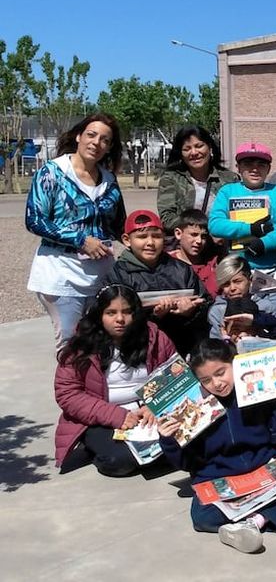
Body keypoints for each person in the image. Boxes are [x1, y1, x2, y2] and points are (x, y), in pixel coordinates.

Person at [158, 339, 276, 554]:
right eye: (206, 380)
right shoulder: (196, 409)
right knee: (202, 516)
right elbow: (185, 462)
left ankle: (253, 521)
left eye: (220, 372)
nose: (216, 383)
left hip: (262, 466)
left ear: (235, 363)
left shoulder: (253, 393)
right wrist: (169, 440)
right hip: (219, 477)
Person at [26, 113, 127, 348]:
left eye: (105, 139)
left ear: (110, 147)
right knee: (72, 345)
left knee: (100, 342)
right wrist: (81, 239)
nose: (96, 143)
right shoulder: (52, 172)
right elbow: (34, 220)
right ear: (79, 136)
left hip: (99, 276)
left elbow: (118, 224)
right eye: (91, 135)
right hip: (60, 275)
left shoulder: (109, 180)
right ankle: (69, 387)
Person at [54, 284, 177, 476]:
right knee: (119, 462)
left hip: (150, 413)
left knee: (194, 440)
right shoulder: (80, 347)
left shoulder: (155, 337)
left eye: (127, 312)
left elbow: (176, 374)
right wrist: (116, 416)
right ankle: (95, 448)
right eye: (111, 313)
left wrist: (156, 405)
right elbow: (67, 394)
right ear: (99, 314)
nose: (120, 319)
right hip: (102, 418)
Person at [101, 210, 210, 356]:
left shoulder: (182, 270)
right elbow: (110, 319)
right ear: (127, 240)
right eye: (142, 237)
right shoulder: (117, 275)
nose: (150, 243)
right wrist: (153, 316)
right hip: (136, 352)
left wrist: (190, 312)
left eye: (157, 236)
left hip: (180, 349)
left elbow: (206, 302)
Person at [208, 142, 276, 270]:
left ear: (269, 169)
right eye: (248, 164)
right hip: (237, 269)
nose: (255, 169)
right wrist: (250, 229)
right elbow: (215, 225)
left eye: (261, 164)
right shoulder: (227, 192)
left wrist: (265, 243)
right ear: (238, 167)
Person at [157, 126, 239, 233]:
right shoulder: (170, 179)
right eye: (187, 149)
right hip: (184, 246)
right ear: (180, 154)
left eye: (199, 146)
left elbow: (239, 213)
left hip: (222, 242)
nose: (194, 152)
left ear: (210, 148)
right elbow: (167, 219)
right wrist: (205, 228)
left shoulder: (230, 179)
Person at [208, 254, 276, 341]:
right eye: (226, 284)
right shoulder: (218, 311)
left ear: (250, 279)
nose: (232, 288)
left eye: (237, 282)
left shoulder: (272, 299)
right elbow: (216, 345)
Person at [168, 209, 221, 299]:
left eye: (203, 236)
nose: (199, 241)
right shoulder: (166, 264)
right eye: (194, 234)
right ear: (178, 233)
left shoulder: (214, 264)